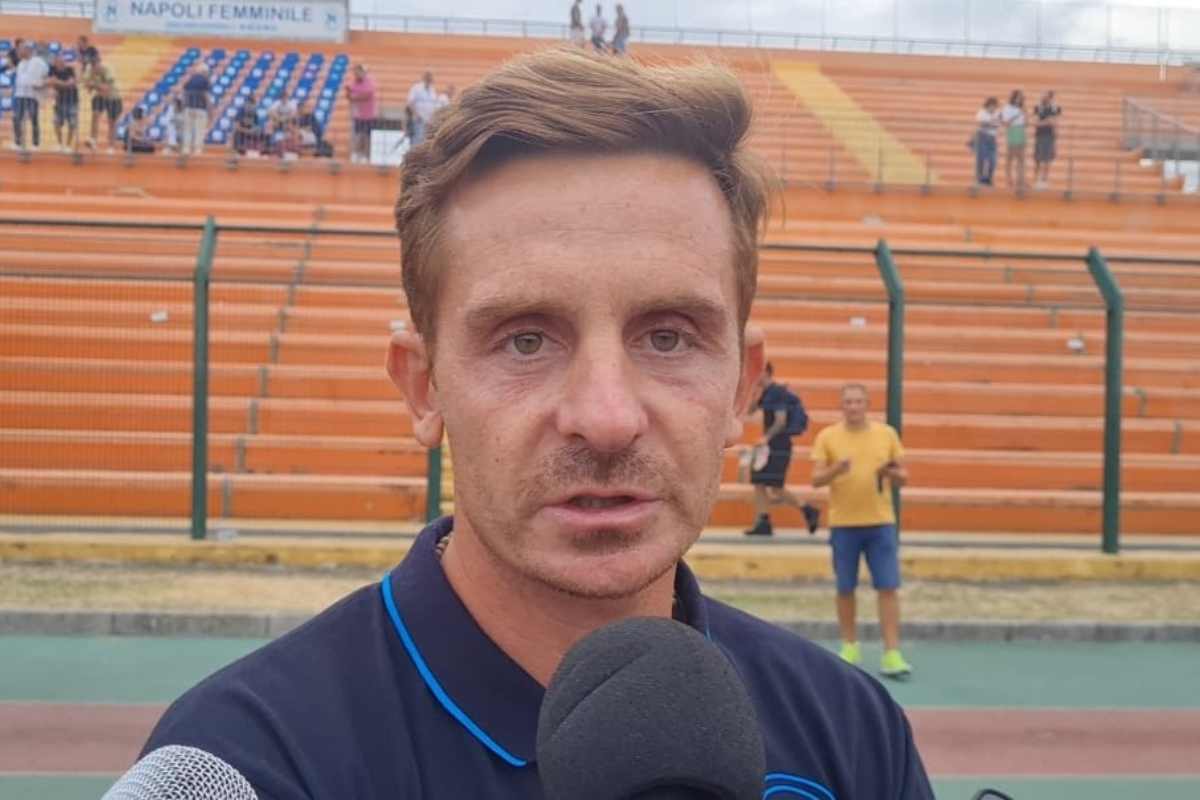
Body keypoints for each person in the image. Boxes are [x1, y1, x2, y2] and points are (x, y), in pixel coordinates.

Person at [135, 49, 934, 800]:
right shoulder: (243, 765)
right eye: (525, 340)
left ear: (741, 389)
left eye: (667, 337)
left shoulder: (852, 735)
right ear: (424, 387)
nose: (607, 419)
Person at [811, 383, 911, 679]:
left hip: (880, 522)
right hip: (843, 524)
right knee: (845, 587)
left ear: (867, 404)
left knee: (887, 587)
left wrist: (891, 472)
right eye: (848, 402)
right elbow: (816, 480)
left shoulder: (886, 434)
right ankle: (849, 646)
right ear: (841, 406)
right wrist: (836, 470)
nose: (853, 407)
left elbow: (903, 477)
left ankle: (892, 652)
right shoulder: (828, 437)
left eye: (858, 401)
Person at [743, 362, 820, 538]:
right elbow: (750, 411)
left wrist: (766, 438)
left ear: (765, 372)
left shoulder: (777, 392)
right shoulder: (766, 393)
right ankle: (763, 521)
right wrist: (754, 393)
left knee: (775, 487)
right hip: (771, 445)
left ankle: (807, 509)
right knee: (759, 481)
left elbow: (780, 421)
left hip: (778, 445)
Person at [11, 40, 48, 151]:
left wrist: (41, 85)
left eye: (21, 50)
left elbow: (46, 74)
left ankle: (35, 144)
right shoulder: (20, 63)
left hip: (33, 95)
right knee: (16, 118)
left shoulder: (38, 61)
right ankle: (18, 143)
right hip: (20, 94)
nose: (18, 52)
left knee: (34, 119)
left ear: (28, 50)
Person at [84, 51, 121, 153]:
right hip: (99, 96)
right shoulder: (89, 69)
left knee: (111, 122)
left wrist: (94, 84)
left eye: (94, 63)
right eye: (92, 64)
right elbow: (87, 86)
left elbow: (107, 88)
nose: (93, 66)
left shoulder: (107, 69)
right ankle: (93, 140)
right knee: (95, 115)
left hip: (114, 97)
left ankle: (111, 146)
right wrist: (95, 85)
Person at [47, 52, 79, 152]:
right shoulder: (52, 70)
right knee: (56, 122)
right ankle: (60, 144)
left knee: (72, 124)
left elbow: (71, 83)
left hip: (72, 100)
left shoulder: (70, 70)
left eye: (62, 61)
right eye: (58, 61)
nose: (60, 63)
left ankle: (68, 145)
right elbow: (50, 81)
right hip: (59, 101)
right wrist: (60, 84)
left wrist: (58, 82)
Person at [346, 63, 378, 162]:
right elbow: (348, 94)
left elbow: (368, 94)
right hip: (357, 115)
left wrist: (354, 97)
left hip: (369, 115)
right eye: (355, 72)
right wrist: (350, 95)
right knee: (358, 135)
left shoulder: (369, 81)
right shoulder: (353, 82)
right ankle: (356, 153)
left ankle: (366, 155)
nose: (356, 74)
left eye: (358, 72)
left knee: (367, 136)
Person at [180, 62, 211, 156]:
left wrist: (184, 106)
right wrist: (210, 108)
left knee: (187, 129)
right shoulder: (205, 81)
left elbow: (184, 93)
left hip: (188, 107)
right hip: (200, 108)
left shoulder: (190, 80)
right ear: (204, 72)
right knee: (199, 130)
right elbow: (206, 95)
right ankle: (197, 150)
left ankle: (186, 148)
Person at [1033, 90, 1062, 189]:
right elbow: (1036, 123)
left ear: (1050, 98)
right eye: (1043, 96)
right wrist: (1048, 121)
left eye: (1046, 97)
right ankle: (1036, 179)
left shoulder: (1056, 108)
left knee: (1047, 159)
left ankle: (1044, 180)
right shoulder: (1038, 107)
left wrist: (1045, 122)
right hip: (1039, 135)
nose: (1044, 98)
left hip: (1050, 136)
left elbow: (1055, 122)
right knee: (1037, 159)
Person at [1001, 89, 1027, 192]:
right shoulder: (1007, 107)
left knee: (1021, 159)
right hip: (1012, 131)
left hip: (1021, 132)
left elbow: (1026, 122)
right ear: (1014, 97)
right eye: (1018, 97)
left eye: (1021, 98)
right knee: (1010, 158)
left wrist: (1024, 113)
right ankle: (1009, 180)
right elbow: (1006, 123)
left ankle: (1020, 180)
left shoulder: (1022, 108)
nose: (1020, 99)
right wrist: (1017, 114)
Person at [405, 69, 437, 149]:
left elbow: (434, 105)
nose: (429, 79)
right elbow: (410, 103)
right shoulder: (416, 88)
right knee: (417, 140)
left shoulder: (432, 90)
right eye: (428, 76)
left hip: (428, 121)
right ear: (424, 77)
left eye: (430, 77)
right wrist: (416, 114)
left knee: (425, 141)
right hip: (418, 119)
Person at [972, 96, 999, 187]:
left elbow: (996, 124)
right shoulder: (982, 112)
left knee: (993, 161)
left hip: (992, 138)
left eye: (995, 106)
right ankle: (979, 179)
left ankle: (989, 178)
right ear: (988, 105)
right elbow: (981, 123)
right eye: (992, 106)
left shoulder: (997, 113)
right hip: (982, 137)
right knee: (981, 159)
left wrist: (989, 123)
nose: (993, 108)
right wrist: (990, 123)